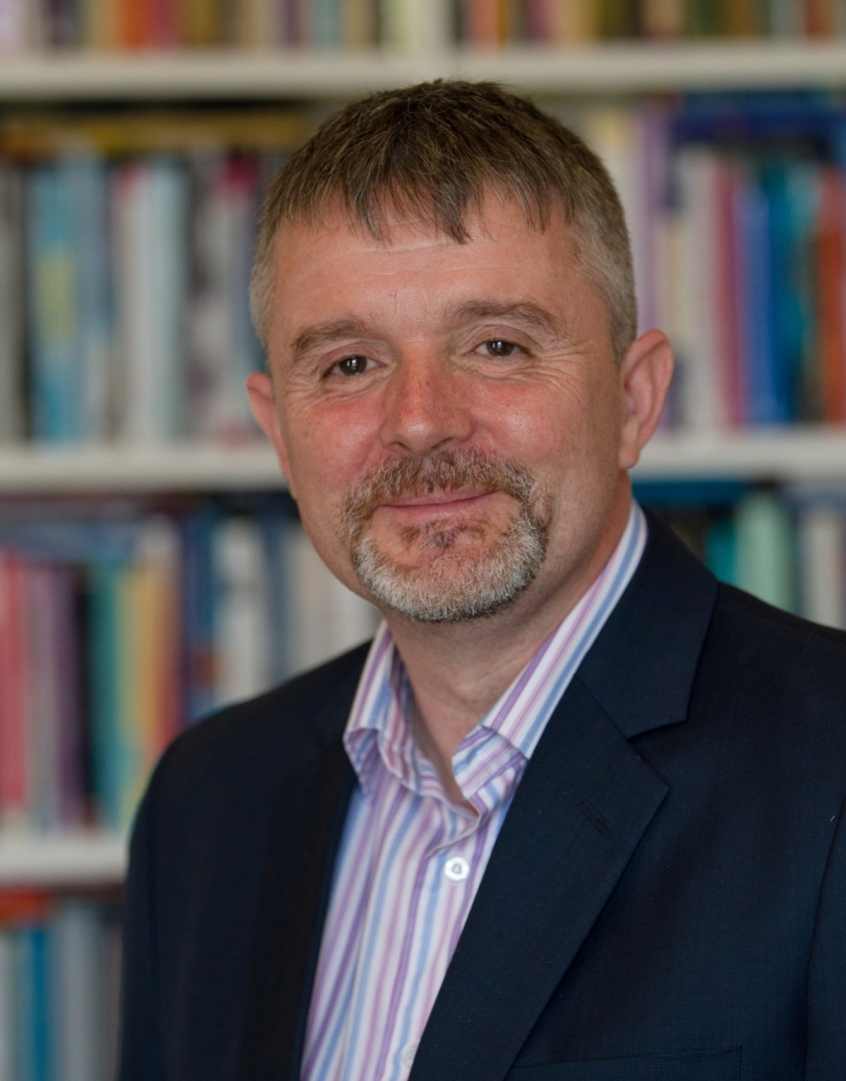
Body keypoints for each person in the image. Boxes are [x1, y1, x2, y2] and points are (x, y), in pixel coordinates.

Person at [118, 81, 846, 1081]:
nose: (421, 421)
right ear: (278, 433)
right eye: (349, 364)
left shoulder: (828, 766)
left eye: (497, 346)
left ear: (635, 400)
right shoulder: (204, 807)